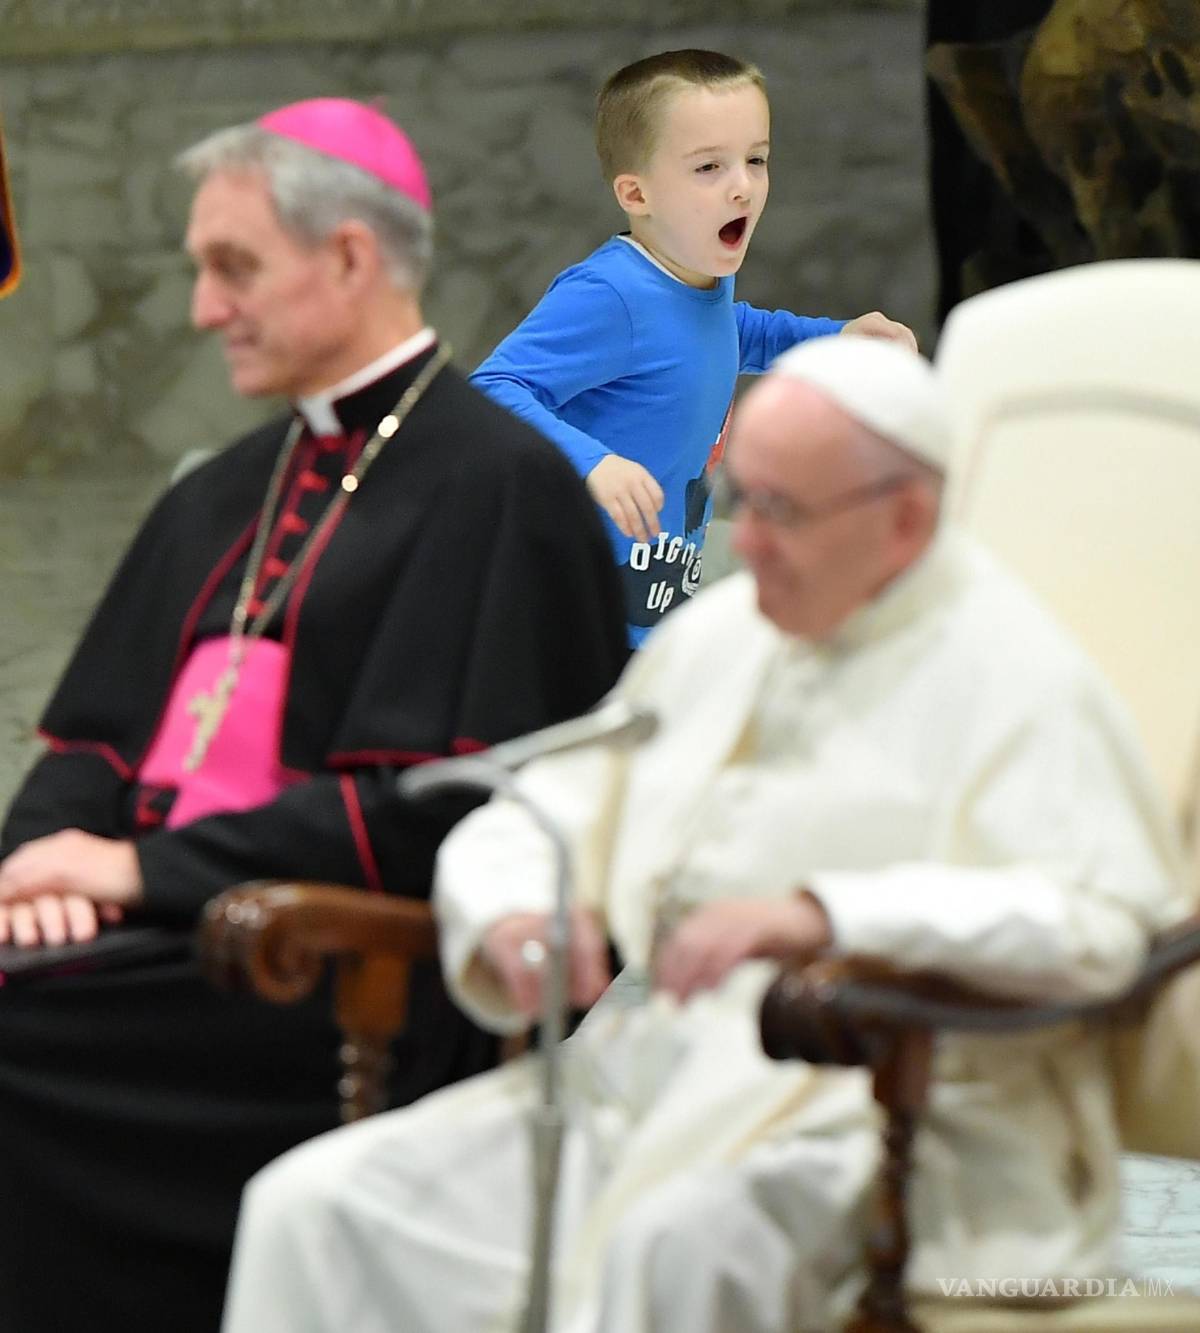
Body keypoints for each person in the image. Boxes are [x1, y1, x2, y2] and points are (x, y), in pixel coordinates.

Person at [221, 335, 1187, 1333]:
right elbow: (552, 802)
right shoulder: (726, 635)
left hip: (891, 1119)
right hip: (651, 1083)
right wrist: (514, 908)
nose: (746, 542)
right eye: (738, 500)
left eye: (784, 511)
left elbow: (1098, 923)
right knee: (316, 1208)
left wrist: (825, 916)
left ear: (905, 518)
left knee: (672, 1246)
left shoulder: (1018, 673)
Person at [0, 97, 628, 1333]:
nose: (201, 309)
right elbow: (87, 747)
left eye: (233, 268)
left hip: (340, 974)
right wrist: (35, 870)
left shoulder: (500, 486)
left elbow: (443, 816)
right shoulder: (220, 494)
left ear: (348, 257)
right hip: (160, 947)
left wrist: (134, 872)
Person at [471, 48, 917, 645]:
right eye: (709, 167)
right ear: (637, 195)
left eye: (756, 160)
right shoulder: (612, 295)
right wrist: (594, 463)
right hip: (564, 611)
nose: (743, 188)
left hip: (654, 588)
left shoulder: (697, 276)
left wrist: (837, 336)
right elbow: (491, 389)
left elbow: (727, 331)